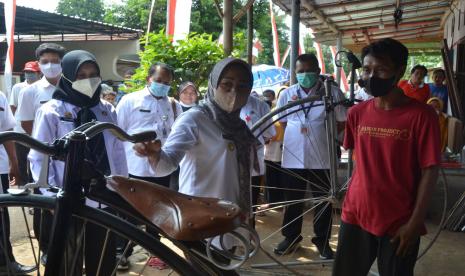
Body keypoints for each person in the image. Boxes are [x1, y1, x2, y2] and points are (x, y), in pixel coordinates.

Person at [333, 38, 440, 276]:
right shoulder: (357, 113)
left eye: (381, 70)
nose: (371, 76)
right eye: (367, 69)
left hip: (399, 220)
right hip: (356, 213)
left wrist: (414, 223)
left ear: (399, 71)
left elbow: (430, 170)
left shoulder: (422, 116)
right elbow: (357, 158)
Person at [133, 58, 258, 245]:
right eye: (227, 84)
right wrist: (154, 155)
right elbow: (166, 165)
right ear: (213, 84)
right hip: (200, 217)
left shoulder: (240, 127)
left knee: (227, 264)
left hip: (232, 213)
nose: (234, 91)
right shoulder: (194, 119)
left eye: (242, 86)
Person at [28, 50, 128, 275]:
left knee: (102, 260)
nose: (88, 80)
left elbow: (117, 152)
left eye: (93, 74)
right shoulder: (51, 111)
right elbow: (39, 158)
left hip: (104, 197)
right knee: (67, 262)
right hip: (67, 198)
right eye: (81, 75)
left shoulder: (106, 109)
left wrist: (121, 187)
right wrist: (50, 197)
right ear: (68, 76)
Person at [274, 54, 347, 258]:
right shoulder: (287, 94)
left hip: (323, 154)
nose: (305, 74)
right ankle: (291, 237)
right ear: (295, 73)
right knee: (292, 199)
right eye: (300, 71)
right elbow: (284, 122)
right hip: (293, 154)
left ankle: (322, 241)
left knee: (323, 200)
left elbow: (342, 119)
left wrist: (324, 134)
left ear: (318, 70)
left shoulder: (332, 92)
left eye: (309, 70)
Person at [116, 63, 181, 186]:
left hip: (162, 169)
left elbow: (177, 135)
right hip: (135, 168)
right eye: (159, 80)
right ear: (148, 79)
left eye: (167, 83)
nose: (162, 85)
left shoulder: (174, 105)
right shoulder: (129, 101)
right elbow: (117, 134)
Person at [0, 91, 36, 274]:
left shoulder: (0, 96)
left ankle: (6, 263)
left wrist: (13, 162)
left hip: (0, 166)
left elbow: (7, 130)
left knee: (1, 216)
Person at [240, 90, 275, 219]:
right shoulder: (221, 104)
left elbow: (270, 133)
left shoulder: (260, 105)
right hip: (230, 157)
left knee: (251, 197)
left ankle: (249, 230)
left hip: (253, 156)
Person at [16, 43, 66, 135]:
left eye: (55, 61)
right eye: (45, 62)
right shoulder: (28, 92)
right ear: (38, 64)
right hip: (43, 146)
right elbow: (26, 123)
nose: (50, 65)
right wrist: (42, 143)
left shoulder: (72, 88)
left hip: (73, 146)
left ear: (63, 62)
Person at [9, 61, 41, 186]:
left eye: (31, 72)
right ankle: (23, 187)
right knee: (21, 161)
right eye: (27, 72)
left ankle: (36, 186)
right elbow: (13, 107)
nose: (28, 74)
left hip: (37, 131)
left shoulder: (43, 87)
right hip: (20, 131)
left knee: (35, 160)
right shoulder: (18, 87)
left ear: (39, 73)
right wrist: (13, 125)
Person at [264, 86, 286, 205]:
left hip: (286, 147)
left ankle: (283, 200)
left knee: (284, 175)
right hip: (272, 147)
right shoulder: (272, 112)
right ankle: (272, 201)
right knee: (271, 175)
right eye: (281, 95)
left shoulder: (293, 111)